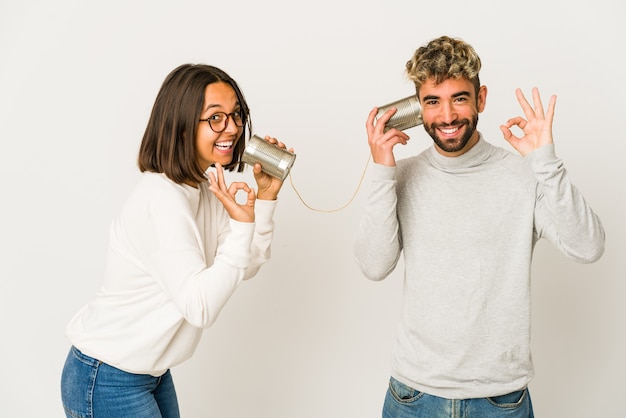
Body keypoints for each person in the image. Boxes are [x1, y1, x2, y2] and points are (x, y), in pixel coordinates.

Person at [354, 35, 605, 417]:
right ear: (418, 107)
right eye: (433, 101)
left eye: (459, 98)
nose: (448, 116)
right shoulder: (400, 177)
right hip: (413, 397)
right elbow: (374, 265)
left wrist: (545, 162)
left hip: (500, 400)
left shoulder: (525, 175)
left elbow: (588, 247)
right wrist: (382, 171)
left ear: (481, 98)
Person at [61, 63, 290, 418]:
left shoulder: (204, 186)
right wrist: (243, 224)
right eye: (216, 118)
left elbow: (247, 265)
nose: (232, 127)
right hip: (107, 377)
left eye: (236, 114)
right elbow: (199, 306)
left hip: (149, 374)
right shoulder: (161, 199)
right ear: (182, 126)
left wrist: (265, 200)